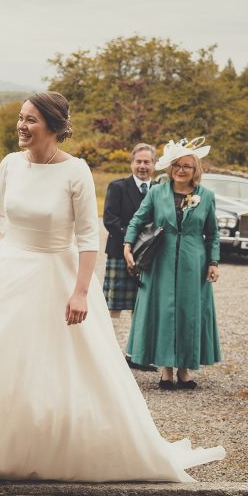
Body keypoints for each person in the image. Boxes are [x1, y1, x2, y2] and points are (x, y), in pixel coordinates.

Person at [0, 92, 225, 485]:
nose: (21, 126)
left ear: (54, 127)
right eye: (21, 118)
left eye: (31, 120)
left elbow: (89, 237)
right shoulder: (9, 164)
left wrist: (79, 291)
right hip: (8, 269)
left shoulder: (76, 171)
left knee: (57, 366)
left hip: (58, 273)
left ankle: (50, 444)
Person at [123, 138, 221, 391]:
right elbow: (137, 220)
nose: (181, 170)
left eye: (187, 166)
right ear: (170, 167)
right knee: (164, 311)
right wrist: (127, 245)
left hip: (193, 262)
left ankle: (185, 371)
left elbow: (213, 233)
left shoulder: (206, 196)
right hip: (160, 261)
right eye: (177, 165)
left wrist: (213, 262)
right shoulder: (157, 192)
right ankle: (166, 371)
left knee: (188, 312)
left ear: (195, 170)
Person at [103, 143, 158, 372]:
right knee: (113, 307)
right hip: (119, 252)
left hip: (150, 257)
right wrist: (134, 240)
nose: (142, 166)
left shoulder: (160, 189)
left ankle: (136, 355)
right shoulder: (118, 187)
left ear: (154, 165)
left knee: (142, 307)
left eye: (147, 162)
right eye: (139, 161)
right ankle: (107, 353)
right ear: (131, 163)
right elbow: (110, 219)